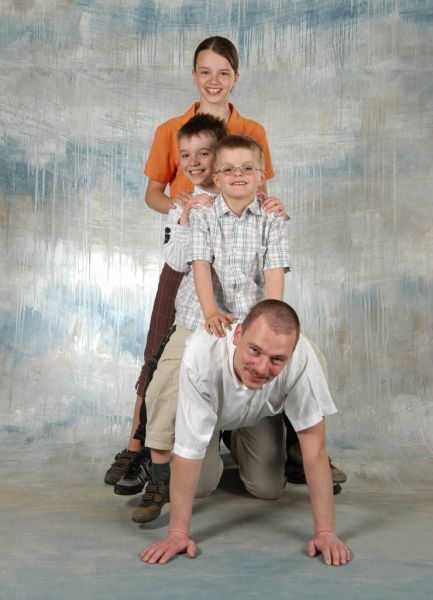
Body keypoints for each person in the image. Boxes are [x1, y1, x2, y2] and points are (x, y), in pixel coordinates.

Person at [104, 35, 279, 489]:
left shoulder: (251, 130)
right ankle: (138, 446)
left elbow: (257, 187)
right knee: (160, 348)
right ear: (194, 75)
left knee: (263, 336)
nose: (213, 81)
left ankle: (289, 441)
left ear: (236, 77)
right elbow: (153, 194)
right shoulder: (172, 129)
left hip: (238, 254)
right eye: (205, 72)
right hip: (188, 250)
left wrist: (270, 206)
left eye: (223, 72)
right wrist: (181, 207)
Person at [131, 135, 290, 522]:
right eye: (229, 169)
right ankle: (161, 470)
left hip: (249, 319)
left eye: (248, 168)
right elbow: (199, 265)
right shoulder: (201, 211)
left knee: (267, 488)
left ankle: (251, 435)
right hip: (200, 315)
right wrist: (211, 313)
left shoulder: (273, 218)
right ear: (216, 178)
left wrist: (264, 326)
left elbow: (273, 278)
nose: (239, 174)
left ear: (261, 177)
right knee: (167, 380)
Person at [140, 300, 351, 567]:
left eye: (277, 359)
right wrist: (177, 534)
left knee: (268, 489)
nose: (262, 368)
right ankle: (219, 437)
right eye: (255, 350)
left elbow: (315, 447)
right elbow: (188, 452)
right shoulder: (202, 355)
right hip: (210, 415)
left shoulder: (302, 357)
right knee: (201, 487)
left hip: (257, 415)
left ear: (291, 354)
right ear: (238, 335)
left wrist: (326, 532)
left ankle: (237, 439)